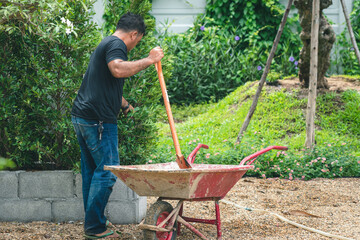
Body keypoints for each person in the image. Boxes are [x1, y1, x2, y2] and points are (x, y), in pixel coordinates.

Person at [71, 12, 164, 239]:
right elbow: (117, 69)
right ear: (134, 34)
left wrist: (123, 104)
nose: (134, 46)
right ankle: (94, 227)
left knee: (93, 173)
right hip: (98, 121)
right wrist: (150, 60)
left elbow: (102, 81)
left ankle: (94, 223)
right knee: (107, 173)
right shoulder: (117, 45)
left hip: (83, 117)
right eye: (138, 41)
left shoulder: (106, 42)